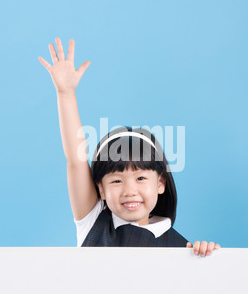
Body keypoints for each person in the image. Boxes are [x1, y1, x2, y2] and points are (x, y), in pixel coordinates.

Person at [38, 37, 221, 256]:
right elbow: (76, 160)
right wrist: (65, 93)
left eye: (141, 178)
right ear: (101, 189)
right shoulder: (93, 222)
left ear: (160, 183)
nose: (130, 191)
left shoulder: (181, 248)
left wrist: (205, 257)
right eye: (116, 180)